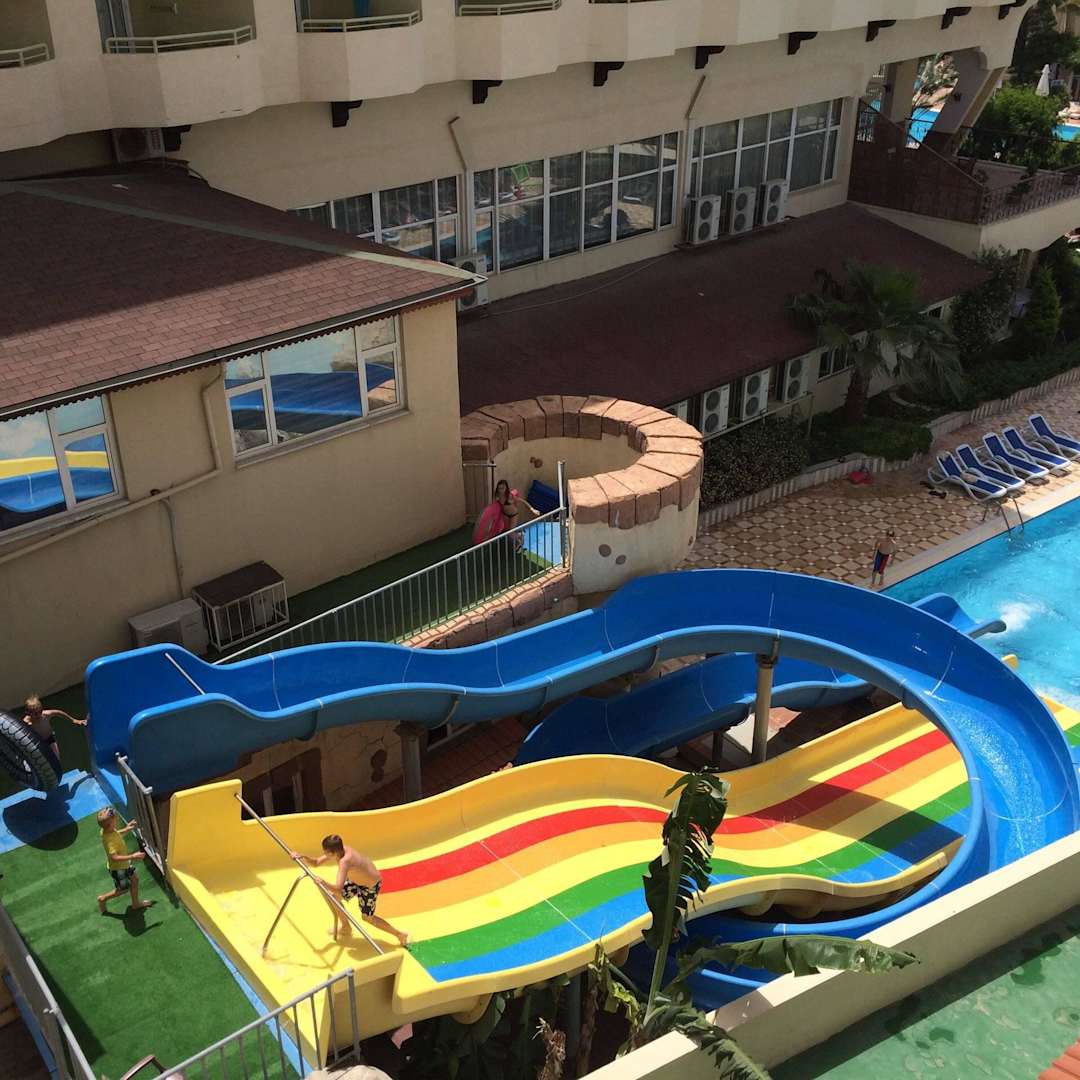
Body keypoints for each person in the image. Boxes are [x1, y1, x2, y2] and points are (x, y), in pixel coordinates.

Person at [290, 835, 409, 948]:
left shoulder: (345, 861)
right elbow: (316, 863)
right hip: (356, 881)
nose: (324, 854)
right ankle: (346, 928)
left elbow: (338, 888)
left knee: (367, 918)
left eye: (326, 852)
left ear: (333, 853)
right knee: (334, 897)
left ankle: (399, 934)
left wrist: (323, 882)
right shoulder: (340, 850)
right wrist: (302, 856)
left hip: (370, 886)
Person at [96, 807, 152, 915]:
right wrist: (132, 856)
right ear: (111, 824)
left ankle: (135, 904)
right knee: (123, 890)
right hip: (118, 869)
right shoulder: (110, 841)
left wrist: (127, 829)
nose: (116, 820)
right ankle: (103, 898)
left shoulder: (106, 831)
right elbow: (114, 857)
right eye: (115, 820)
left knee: (135, 880)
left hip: (124, 865)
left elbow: (116, 834)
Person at [472, 479, 538, 546]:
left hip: (513, 515)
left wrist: (532, 509)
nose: (501, 490)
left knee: (510, 533)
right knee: (506, 531)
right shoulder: (498, 496)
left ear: (506, 488)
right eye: (499, 488)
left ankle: (520, 536)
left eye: (503, 488)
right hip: (505, 514)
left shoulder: (509, 496)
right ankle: (515, 539)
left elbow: (522, 501)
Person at [22, 695, 86, 764]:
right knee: (40, 761)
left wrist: (73, 720)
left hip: (50, 739)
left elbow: (58, 712)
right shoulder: (26, 722)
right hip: (38, 743)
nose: (38, 715)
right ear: (28, 713)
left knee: (56, 759)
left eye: (40, 712)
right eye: (35, 713)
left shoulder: (45, 715)